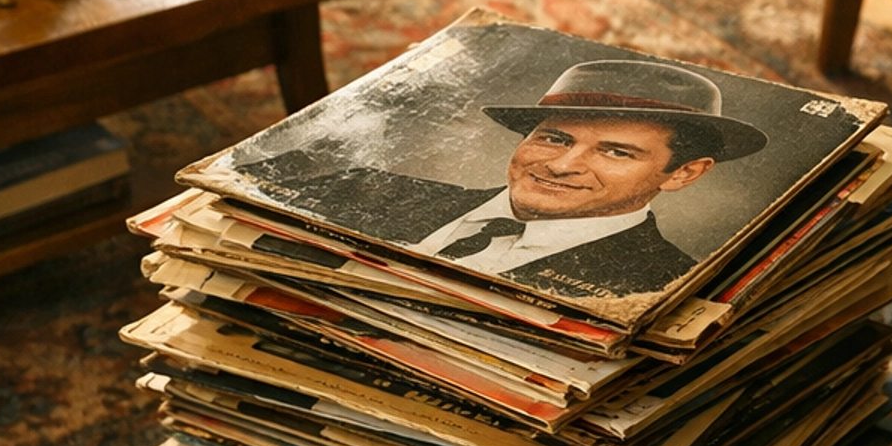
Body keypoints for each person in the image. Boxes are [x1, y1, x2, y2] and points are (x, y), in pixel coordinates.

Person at [238, 57, 767, 298]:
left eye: (615, 151)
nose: (560, 165)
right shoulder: (368, 186)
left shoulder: (662, 287)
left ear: (683, 173)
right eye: (555, 138)